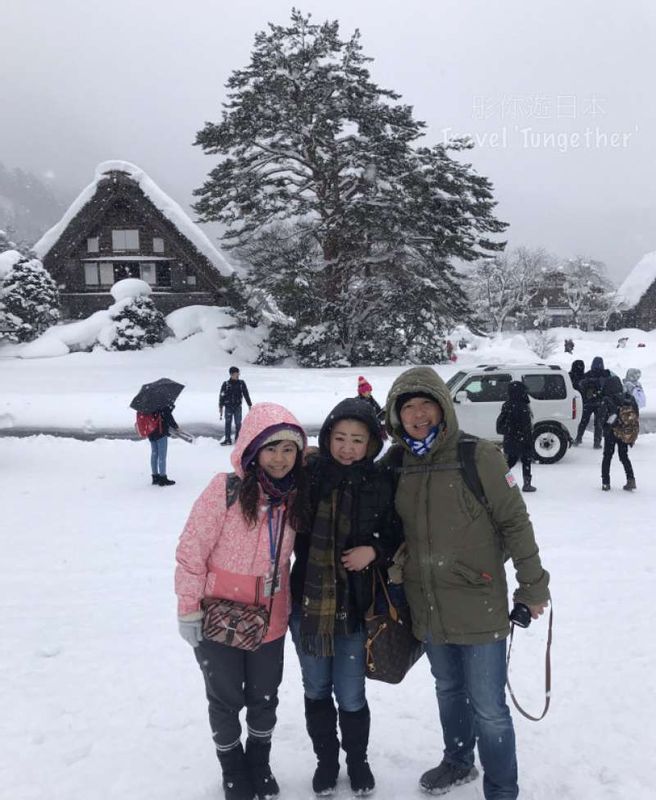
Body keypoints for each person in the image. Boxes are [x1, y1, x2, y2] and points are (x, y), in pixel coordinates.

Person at [383, 367, 550, 800]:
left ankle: (501, 789)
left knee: (490, 708)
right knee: (448, 690)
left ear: (442, 407)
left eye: (426, 405)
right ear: (396, 416)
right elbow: (355, 482)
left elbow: (515, 522)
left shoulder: (479, 456)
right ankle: (458, 762)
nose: (418, 415)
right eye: (408, 408)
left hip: (479, 603)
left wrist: (532, 587)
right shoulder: (398, 462)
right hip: (427, 603)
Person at [175, 403, 308, 800]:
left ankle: (259, 762)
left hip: (270, 617)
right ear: (252, 449)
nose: (280, 459)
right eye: (271, 449)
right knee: (225, 698)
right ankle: (232, 767)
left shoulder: (298, 497)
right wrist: (188, 608)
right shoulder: (225, 490)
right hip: (220, 617)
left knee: (264, 697)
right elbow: (191, 551)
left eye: (289, 449)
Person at [290, 398, 402, 797]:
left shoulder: (380, 480)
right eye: (339, 438)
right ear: (328, 437)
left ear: (371, 443)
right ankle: (326, 762)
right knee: (316, 689)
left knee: (351, 694)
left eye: (357, 439)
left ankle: (358, 761)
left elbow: (396, 533)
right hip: (308, 603)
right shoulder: (310, 475)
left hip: (356, 608)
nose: (347, 447)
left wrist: (374, 551)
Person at [496, 381, 536, 492]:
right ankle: (527, 484)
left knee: (510, 462)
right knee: (526, 461)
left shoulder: (507, 404)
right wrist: (528, 440)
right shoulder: (523, 406)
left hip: (510, 438)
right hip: (522, 439)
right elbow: (526, 426)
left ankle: (505, 482)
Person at [599, 376, 638, 492]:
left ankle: (606, 483)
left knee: (607, 457)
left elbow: (601, 418)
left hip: (611, 432)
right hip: (624, 432)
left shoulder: (607, 399)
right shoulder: (628, 398)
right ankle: (631, 480)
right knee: (624, 456)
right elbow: (636, 414)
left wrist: (605, 427)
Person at [574, 356, 610, 448]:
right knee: (598, 424)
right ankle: (597, 443)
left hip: (588, 402)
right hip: (600, 403)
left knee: (583, 422)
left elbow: (580, 386)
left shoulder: (588, 374)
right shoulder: (606, 375)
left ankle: (578, 439)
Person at [219, 366, 253, 445]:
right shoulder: (226, 384)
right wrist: (220, 406)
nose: (237, 375)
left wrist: (249, 404)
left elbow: (246, 394)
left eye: (238, 373)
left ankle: (238, 438)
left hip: (237, 406)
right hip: (228, 407)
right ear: (231, 374)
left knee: (238, 423)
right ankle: (227, 439)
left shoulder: (241, 383)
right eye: (235, 374)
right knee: (228, 423)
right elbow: (222, 395)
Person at [149, 403, 179, 486]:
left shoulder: (147, 403)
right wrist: (176, 427)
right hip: (160, 432)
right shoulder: (161, 401)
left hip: (151, 431)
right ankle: (163, 478)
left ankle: (155, 477)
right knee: (162, 455)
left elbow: (158, 414)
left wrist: (169, 408)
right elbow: (167, 416)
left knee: (154, 453)